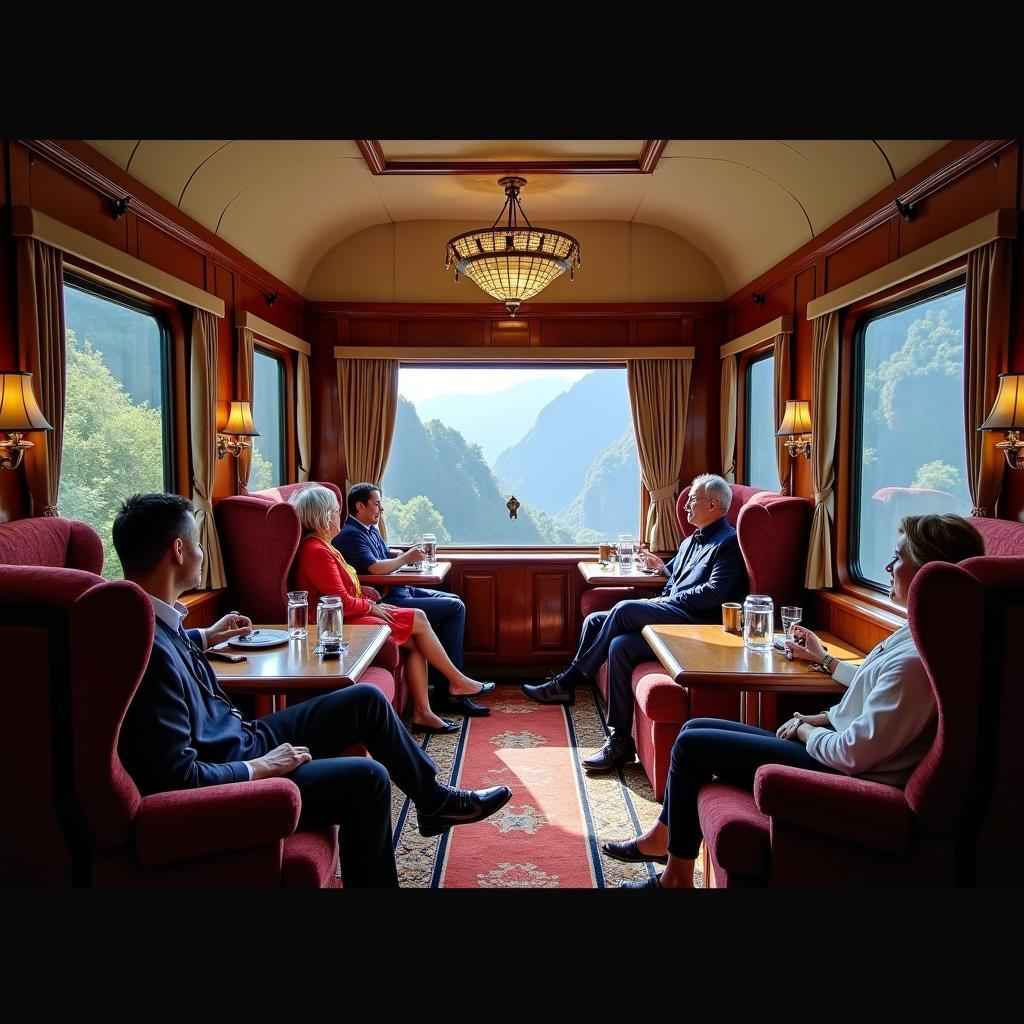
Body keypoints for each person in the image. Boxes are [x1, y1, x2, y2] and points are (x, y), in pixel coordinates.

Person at [113, 492, 511, 888]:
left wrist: (205, 635)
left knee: (366, 701)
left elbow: (172, 642)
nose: (203, 553)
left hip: (243, 736)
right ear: (179, 551)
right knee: (368, 777)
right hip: (236, 763)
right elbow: (178, 777)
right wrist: (260, 768)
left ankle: (433, 802)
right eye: (199, 544)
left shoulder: (154, 623)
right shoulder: (145, 648)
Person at [609, 513, 985, 888]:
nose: (888, 566)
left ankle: (674, 880)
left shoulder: (916, 661)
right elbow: (874, 691)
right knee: (695, 727)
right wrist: (824, 665)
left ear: (926, 572)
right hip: (838, 750)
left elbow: (853, 754)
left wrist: (807, 730)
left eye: (899, 558)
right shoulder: (917, 635)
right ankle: (663, 839)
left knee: (692, 744)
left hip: (839, 771)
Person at [523, 473, 748, 774]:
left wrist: (663, 602)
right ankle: (620, 740)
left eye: (693, 500)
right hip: (674, 610)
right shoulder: (692, 539)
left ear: (713, 503)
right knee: (604, 631)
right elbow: (677, 575)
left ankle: (569, 681)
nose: (686, 507)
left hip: (693, 623)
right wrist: (661, 568)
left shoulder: (728, 543)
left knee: (625, 608)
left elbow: (714, 593)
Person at [291, 484, 495, 734]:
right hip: (334, 624)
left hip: (351, 613)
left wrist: (370, 599)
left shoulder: (326, 547)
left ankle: (423, 713)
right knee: (419, 617)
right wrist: (370, 605)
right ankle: (457, 681)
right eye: (335, 511)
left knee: (417, 642)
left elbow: (346, 588)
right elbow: (340, 600)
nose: (339, 517)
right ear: (323, 517)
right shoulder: (316, 551)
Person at [335, 482, 487, 718]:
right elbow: (374, 569)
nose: (381, 509)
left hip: (401, 589)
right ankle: (453, 691)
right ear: (359, 506)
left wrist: (407, 556)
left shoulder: (369, 529)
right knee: (454, 609)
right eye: (377, 504)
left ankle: (449, 688)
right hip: (388, 597)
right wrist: (406, 558)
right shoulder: (350, 535)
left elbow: (384, 557)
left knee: (455, 602)